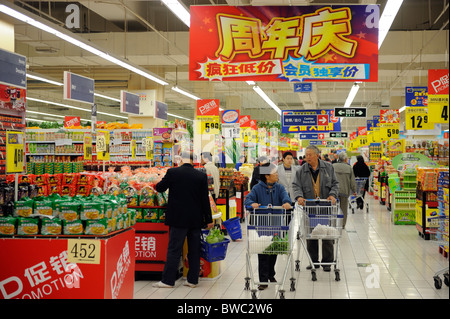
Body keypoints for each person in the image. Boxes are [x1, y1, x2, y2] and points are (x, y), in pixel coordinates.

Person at [153, 152, 214, 288]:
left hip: (178, 218)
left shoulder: (173, 172)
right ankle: (192, 280)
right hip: (195, 219)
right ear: (193, 161)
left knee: (174, 248)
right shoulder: (201, 176)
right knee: (194, 249)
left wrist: (158, 181)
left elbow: (160, 188)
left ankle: (168, 281)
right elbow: (205, 200)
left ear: (180, 160)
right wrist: (209, 219)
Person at [244, 162, 292, 290]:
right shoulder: (257, 189)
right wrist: (252, 204)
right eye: (274, 173)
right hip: (262, 226)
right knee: (263, 252)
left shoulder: (279, 188)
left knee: (274, 250)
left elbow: (285, 197)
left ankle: (271, 274)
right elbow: (247, 200)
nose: (277, 175)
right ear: (266, 175)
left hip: (276, 225)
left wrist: (287, 203)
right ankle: (263, 280)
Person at [292, 145, 339, 272]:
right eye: (306, 154)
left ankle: (327, 262)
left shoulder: (328, 168)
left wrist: (332, 195)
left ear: (317, 155)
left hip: (325, 208)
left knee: (326, 235)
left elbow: (335, 184)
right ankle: (313, 261)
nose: (307, 157)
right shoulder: (301, 171)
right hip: (310, 209)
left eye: (310, 155)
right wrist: (299, 197)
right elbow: (296, 186)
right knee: (311, 235)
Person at [333, 152, 356, 228]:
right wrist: (354, 190)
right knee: (343, 209)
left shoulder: (333, 166)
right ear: (346, 159)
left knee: (333, 208)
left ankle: (333, 223)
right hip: (344, 191)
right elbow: (352, 181)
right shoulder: (349, 168)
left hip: (334, 191)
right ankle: (342, 224)